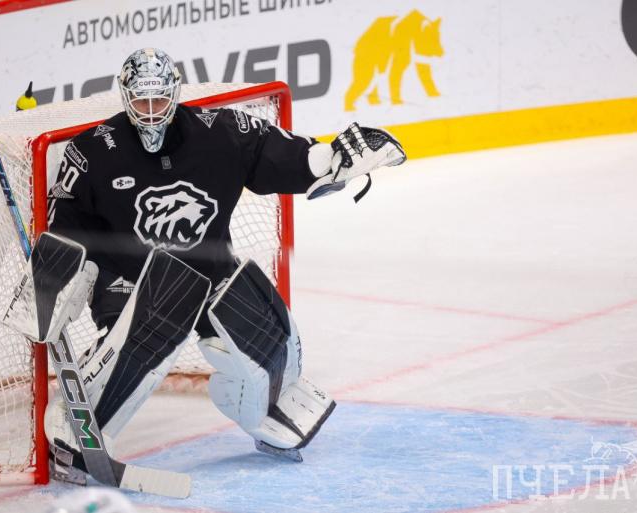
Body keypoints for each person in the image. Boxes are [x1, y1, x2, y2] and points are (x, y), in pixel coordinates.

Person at [44, 48, 407, 476]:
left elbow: (281, 154)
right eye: (141, 101)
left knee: (270, 342)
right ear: (125, 97)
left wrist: (330, 160)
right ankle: (76, 424)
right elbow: (64, 226)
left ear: (175, 94)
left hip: (208, 271)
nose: (151, 111)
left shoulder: (220, 132)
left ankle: (264, 410)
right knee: (153, 329)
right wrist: (57, 279)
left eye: (159, 99)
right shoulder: (93, 151)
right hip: (129, 279)